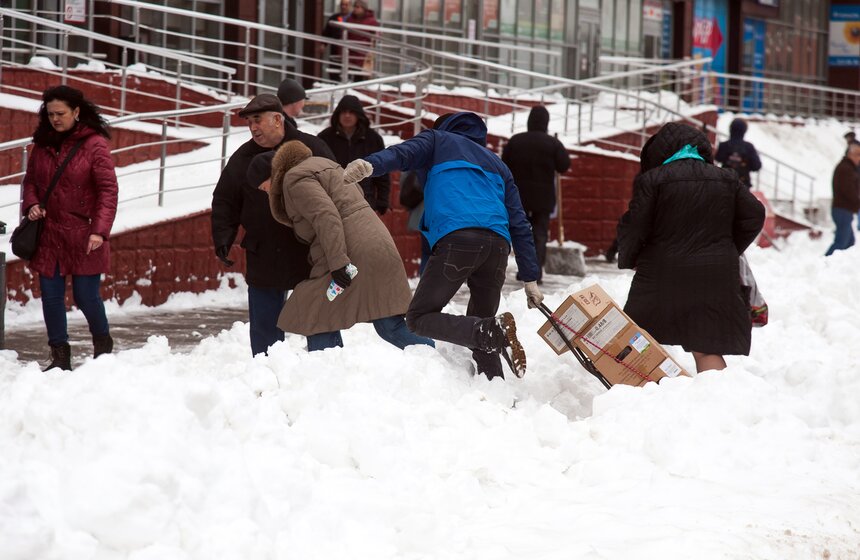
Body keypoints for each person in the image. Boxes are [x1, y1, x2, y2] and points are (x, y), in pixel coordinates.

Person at [343, 112, 543, 380]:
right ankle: (497, 395)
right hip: (497, 248)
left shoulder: (437, 140)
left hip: (459, 239)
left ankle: (489, 331)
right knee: (483, 326)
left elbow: (402, 153)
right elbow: (520, 223)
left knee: (419, 317)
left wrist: (370, 165)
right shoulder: (497, 164)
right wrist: (530, 277)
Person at [250, 141, 434, 352]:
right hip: (377, 243)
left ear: (272, 177)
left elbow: (326, 217)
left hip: (353, 252)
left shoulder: (294, 179)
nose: (266, 194)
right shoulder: (324, 164)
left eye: (264, 188)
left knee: (316, 312)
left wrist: (338, 264)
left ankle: (327, 370)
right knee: (388, 324)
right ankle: (439, 360)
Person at [616, 122, 765, 373]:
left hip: (661, 273)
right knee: (706, 345)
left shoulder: (653, 180)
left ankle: (636, 397)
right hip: (714, 274)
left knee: (638, 337)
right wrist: (727, 247)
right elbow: (755, 214)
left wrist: (630, 258)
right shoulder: (727, 178)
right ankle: (713, 402)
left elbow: (634, 226)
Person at [210, 93, 334, 356]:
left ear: (278, 119)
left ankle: (328, 372)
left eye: (258, 120)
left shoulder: (312, 148)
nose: (253, 127)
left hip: (309, 251)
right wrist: (223, 236)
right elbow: (225, 199)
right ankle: (267, 377)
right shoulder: (242, 158)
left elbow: (339, 193)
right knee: (265, 325)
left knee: (320, 318)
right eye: (248, 122)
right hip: (264, 250)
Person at [21, 85, 119, 371]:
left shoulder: (94, 144)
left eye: (61, 113)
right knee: (51, 297)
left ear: (77, 112)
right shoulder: (42, 144)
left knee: (85, 296)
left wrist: (100, 230)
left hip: (84, 232)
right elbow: (30, 183)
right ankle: (60, 357)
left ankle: (103, 346)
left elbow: (107, 190)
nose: (55, 119)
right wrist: (32, 205)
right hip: (49, 233)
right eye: (50, 114)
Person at [501, 105, 570, 282]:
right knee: (540, 235)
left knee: (520, 233)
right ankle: (535, 273)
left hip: (519, 197)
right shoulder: (552, 143)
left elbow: (503, 165)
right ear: (546, 122)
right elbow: (563, 166)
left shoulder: (516, 141)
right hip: (543, 199)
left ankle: (523, 270)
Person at [318, 95, 390, 214]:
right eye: (344, 112)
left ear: (358, 115)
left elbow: (383, 173)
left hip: (365, 202)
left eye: (351, 112)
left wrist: (383, 201)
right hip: (333, 202)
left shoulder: (373, 139)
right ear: (338, 114)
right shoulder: (324, 138)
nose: (347, 115)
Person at [825, 141, 860, 256]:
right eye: (858, 155)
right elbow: (849, 191)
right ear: (851, 154)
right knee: (841, 242)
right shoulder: (846, 169)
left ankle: (833, 265)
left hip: (844, 210)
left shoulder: (849, 167)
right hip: (842, 210)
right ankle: (824, 263)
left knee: (849, 242)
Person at [715, 117, 762, 189]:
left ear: (730, 129)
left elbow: (718, 158)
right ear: (744, 131)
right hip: (743, 186)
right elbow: (756, 166)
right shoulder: (748, 147)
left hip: (725, 184)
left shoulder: (724, 145)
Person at [345, 0, 379, 71]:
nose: (355, 9)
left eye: (357, 7)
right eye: (354, 7)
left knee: (360, 76)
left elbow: (377, 35)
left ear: (363, 9)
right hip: (349, 53)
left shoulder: (371, 21)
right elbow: (345, 34)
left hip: (362, 54)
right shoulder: (349, 19)